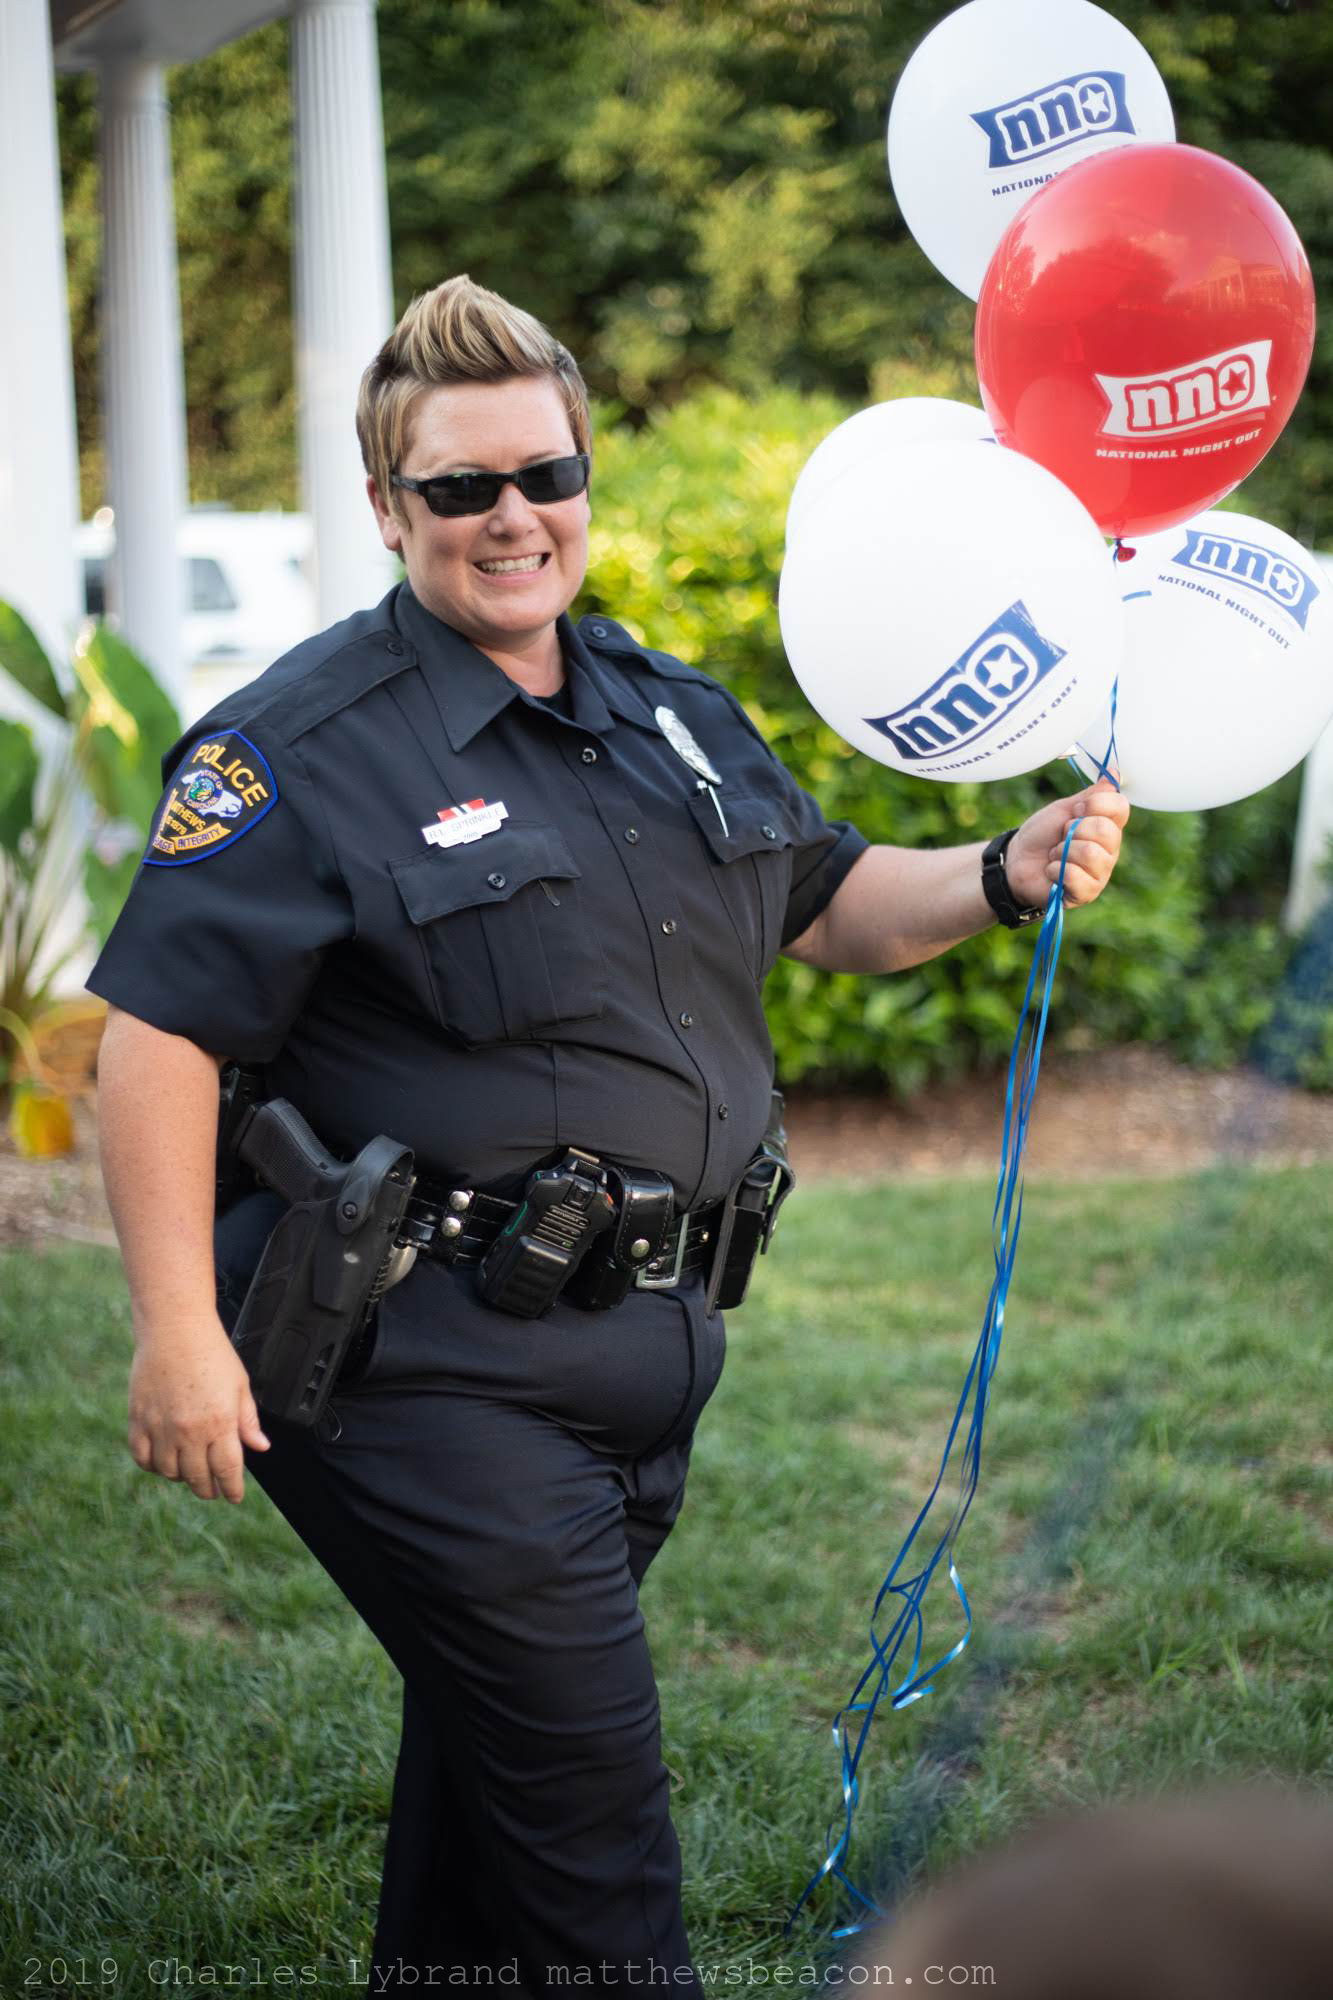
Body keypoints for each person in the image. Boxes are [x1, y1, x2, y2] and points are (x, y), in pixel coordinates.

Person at [89, 274, 1128, 1994]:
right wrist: (175, 1333)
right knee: (597, 1853)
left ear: (583, 481)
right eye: (460, 487)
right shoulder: (302, 746)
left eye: (544, 475)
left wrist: (1004, 871)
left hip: (644, 1358)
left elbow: (831, 903)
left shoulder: (666, 712)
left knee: (498, 1786)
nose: (513, 516)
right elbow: (157, 1035)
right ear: (385, 507)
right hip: (424, 1375)